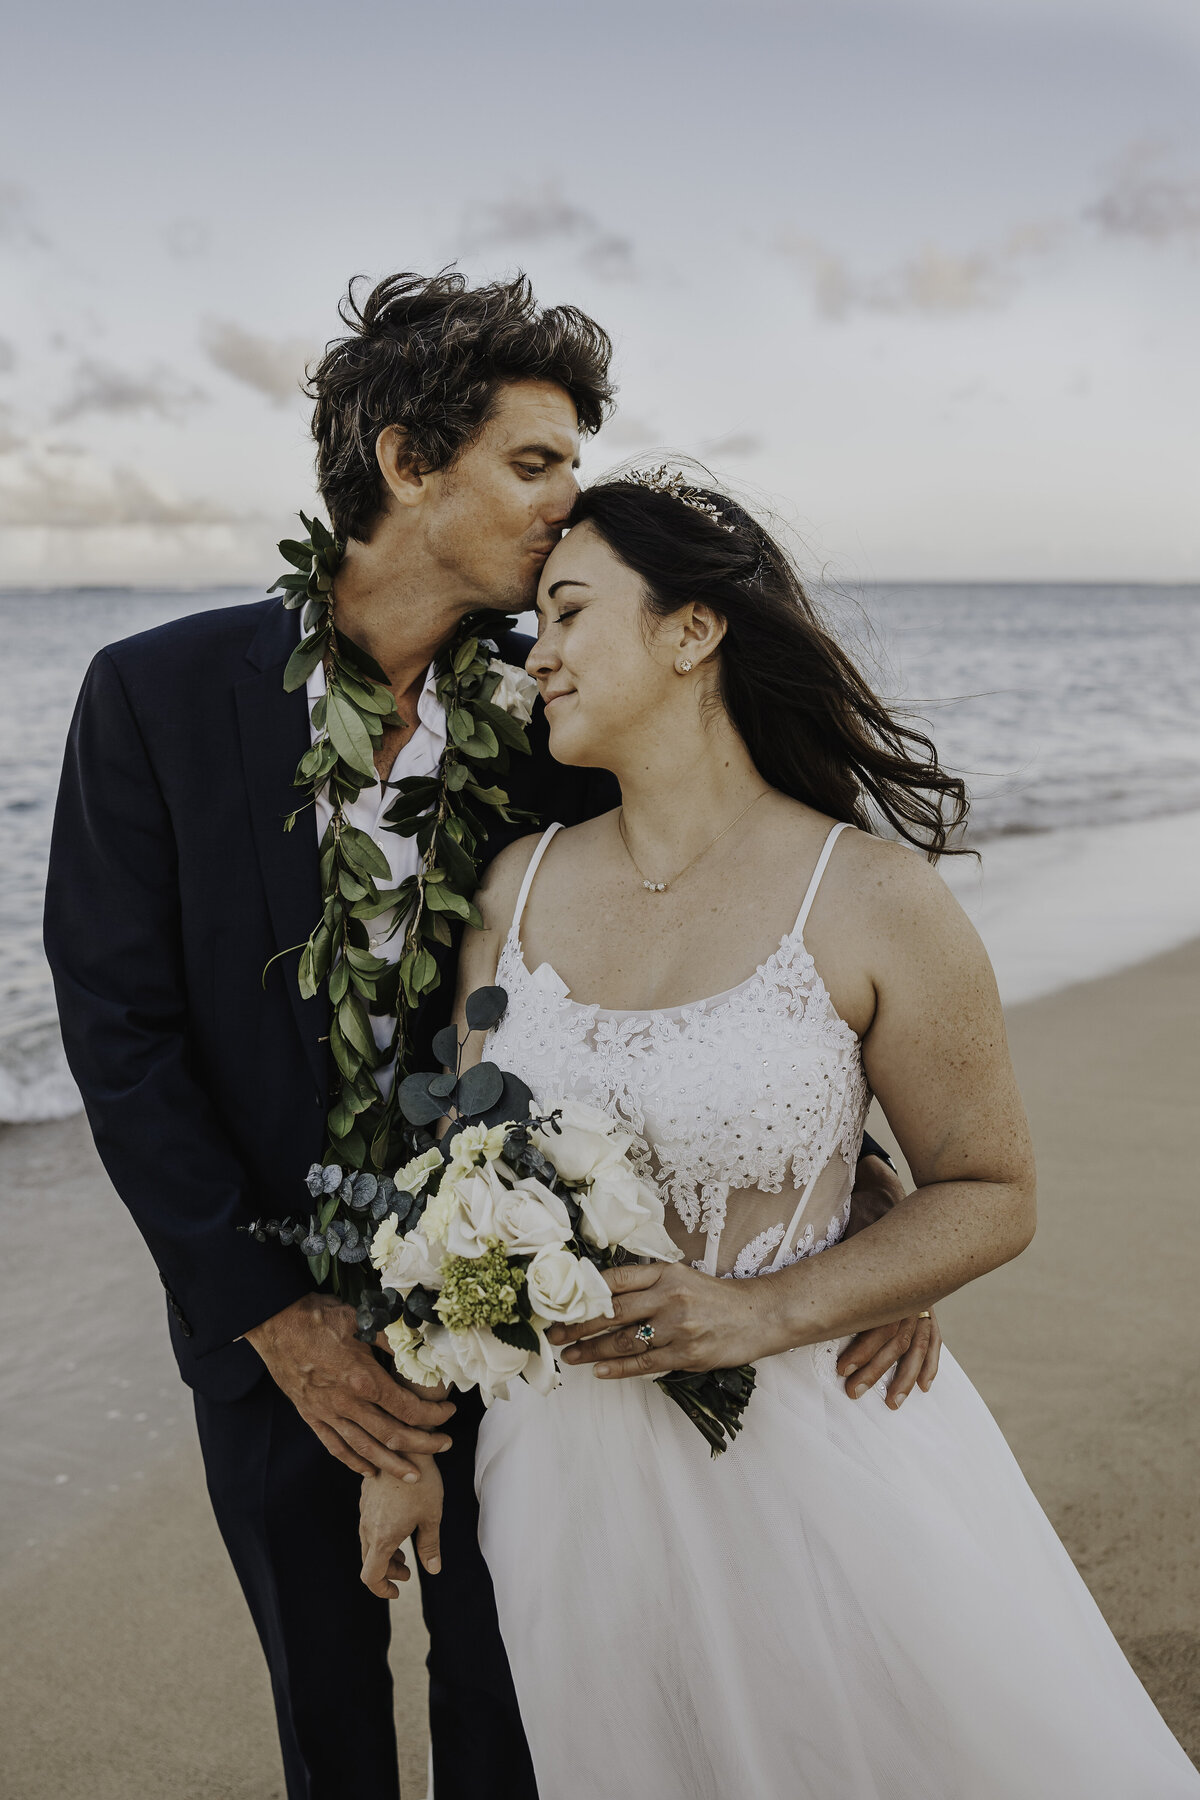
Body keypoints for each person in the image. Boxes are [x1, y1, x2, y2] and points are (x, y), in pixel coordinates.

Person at [42, 272, 934, 1800]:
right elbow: (120, 1034)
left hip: (526, 1309)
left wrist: (858, 1186)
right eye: (536, 464)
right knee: (326, 1715)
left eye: (575, 465)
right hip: (273, 1332)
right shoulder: (155, 696)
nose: (568, 504)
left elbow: (678, 939)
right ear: (405, 461)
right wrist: (272, 1315)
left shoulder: (554, 719)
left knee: (519, 1708)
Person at [360, 471, 1200, 1798]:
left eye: (571, 613)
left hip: (816, 1457)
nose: (542, 654)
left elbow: (990, 1188)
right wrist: (407, 1444)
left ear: (693, 633)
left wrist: (776, 1309)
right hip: (566, 1491)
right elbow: (464, 1186)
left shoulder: (870, 897)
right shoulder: (512, 888)